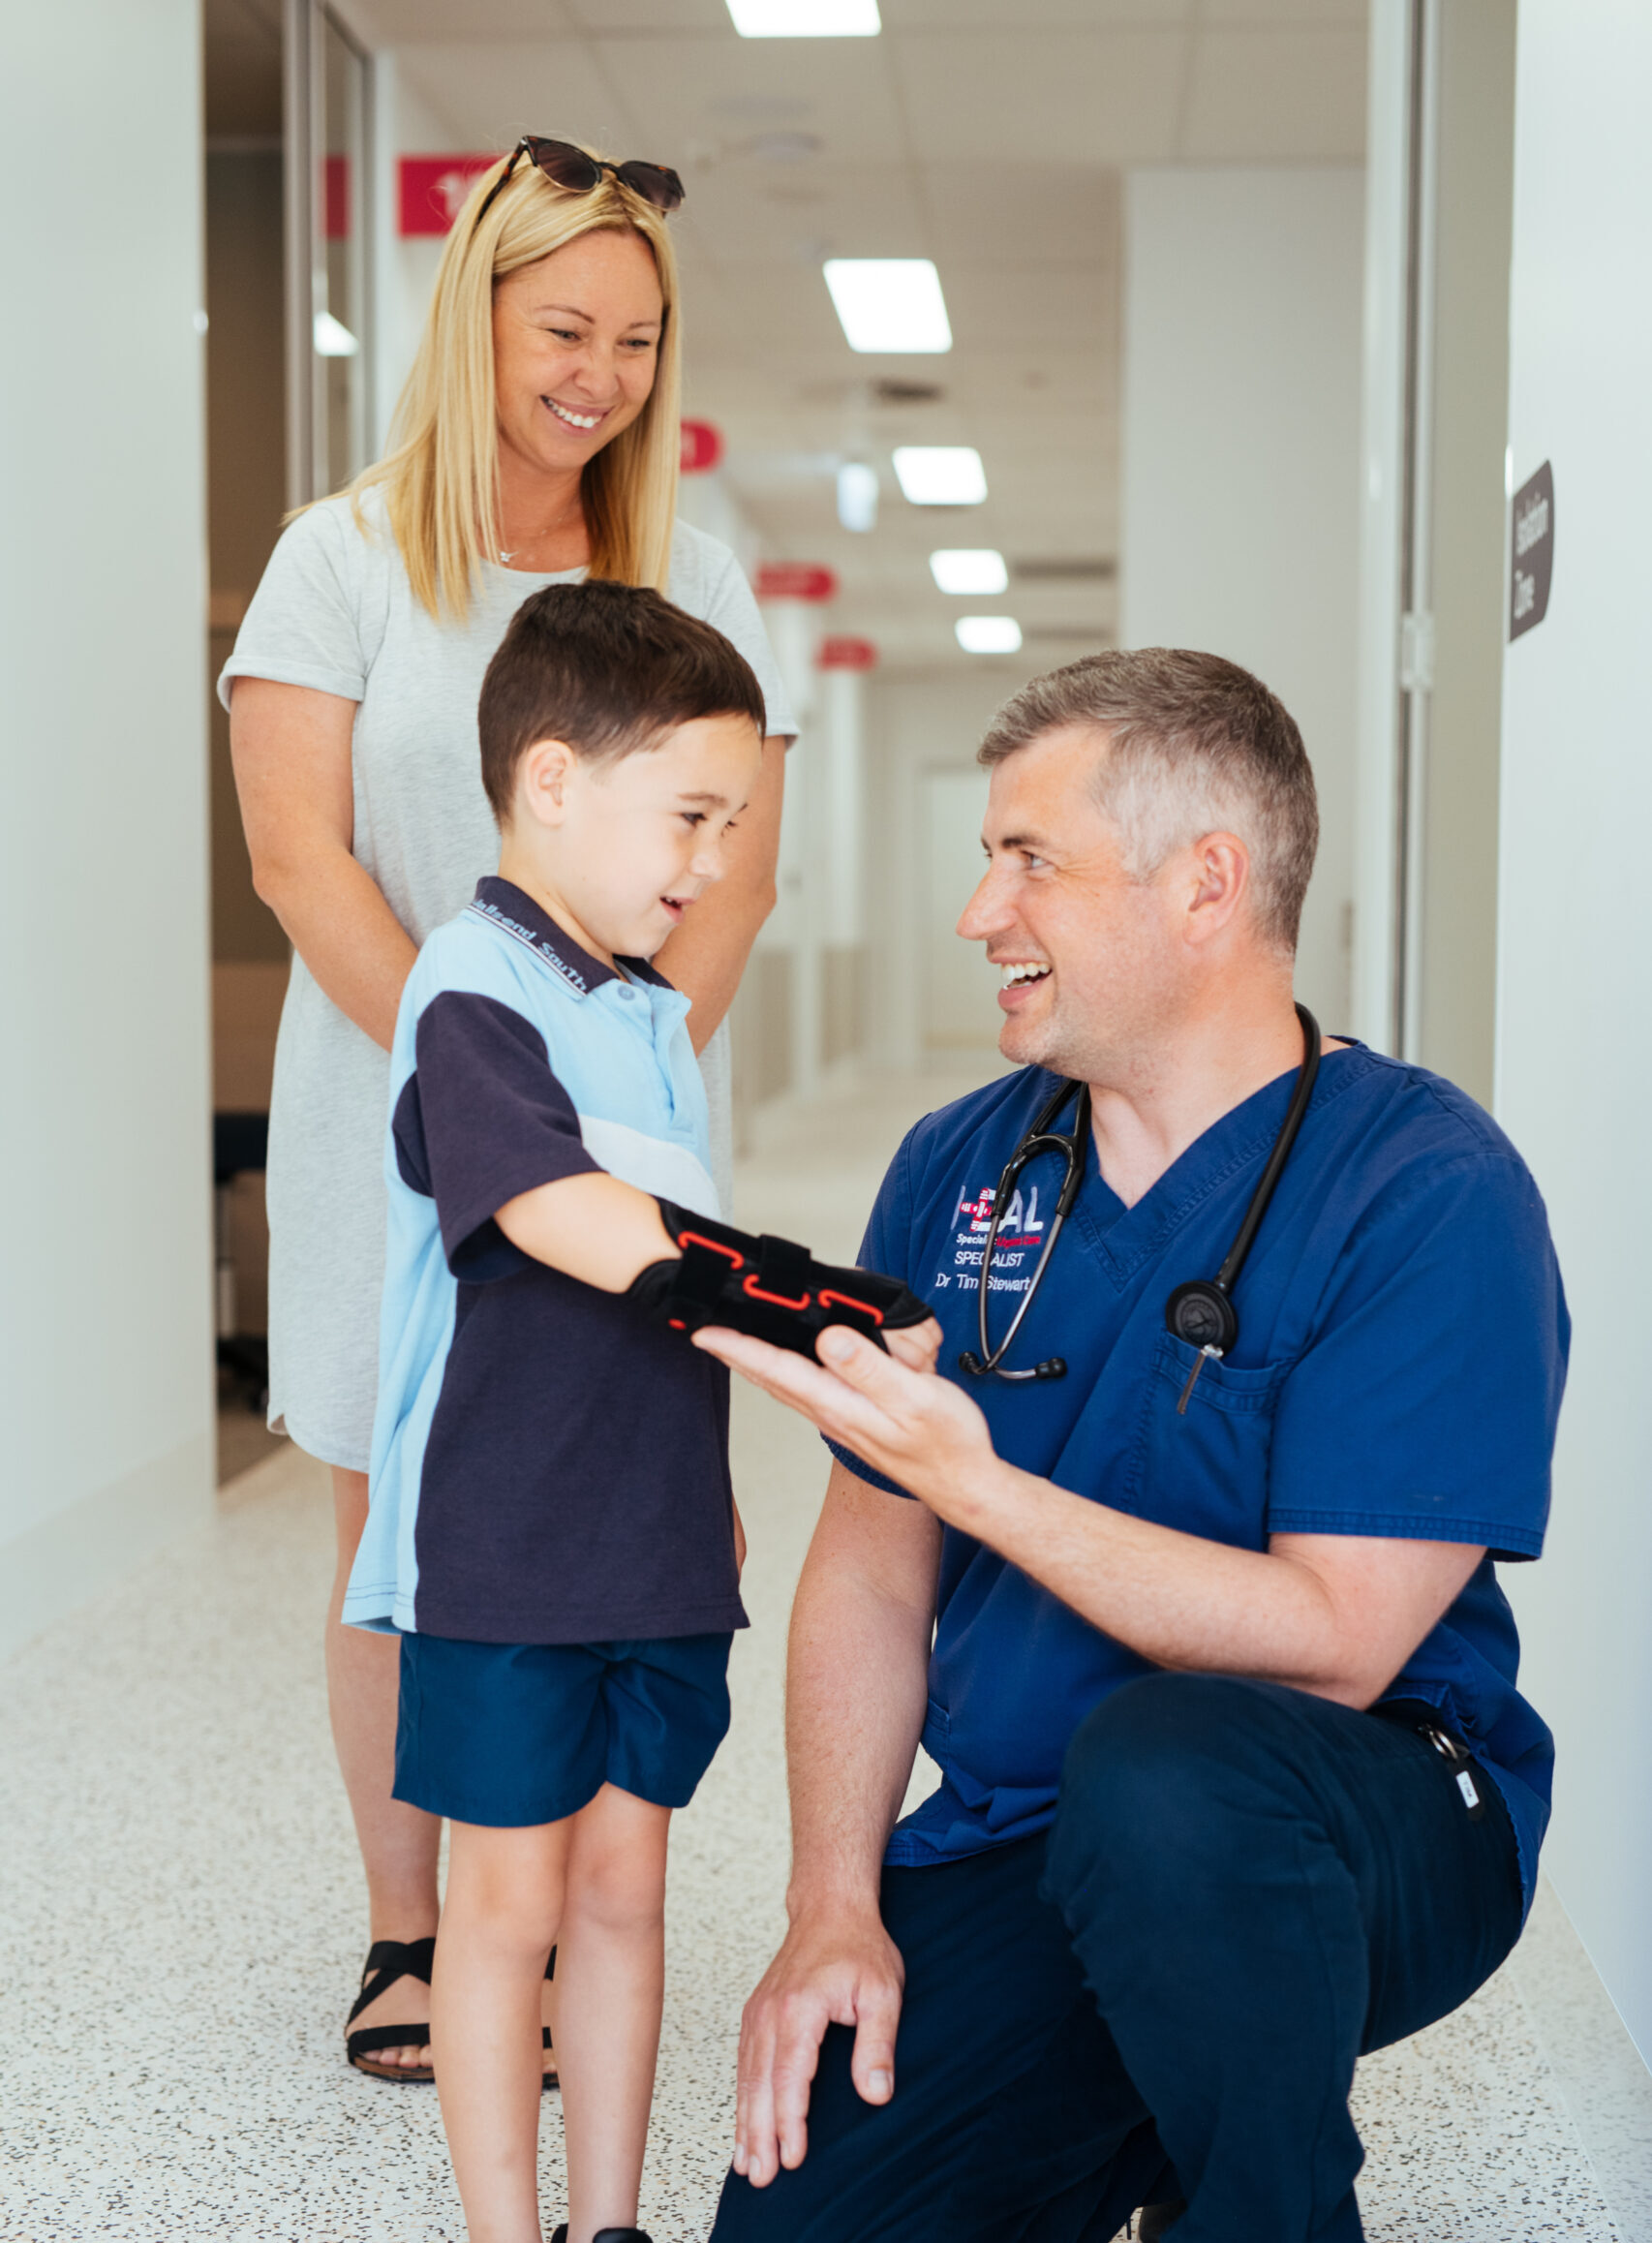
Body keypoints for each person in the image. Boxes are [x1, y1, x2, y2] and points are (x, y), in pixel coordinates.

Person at [693, 650, 1567, 2243]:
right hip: (1033, 1839)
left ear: (1204, 886)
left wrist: (981, 1484)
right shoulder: (959, 1167)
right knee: (803, 2230)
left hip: (1361, 1819)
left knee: (1166, 1771)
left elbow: (1333, 1647)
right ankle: (1150, 2110)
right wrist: (830, 1906)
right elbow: (872, 1584)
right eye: (985, 859)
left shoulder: (1424, 1191)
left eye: (1029, 860)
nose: (978, 913)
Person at [222, 136, 795, 2077]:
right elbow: (301, 865)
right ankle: (417, 1930)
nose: (601, 375)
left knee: (573, 1508)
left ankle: (551, 1909)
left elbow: (734, 877)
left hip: (616, 1138)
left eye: (637, 341)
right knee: (397, 1505)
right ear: (469, 315)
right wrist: (469, 1080)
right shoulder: (341, 557)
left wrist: (602, 1091)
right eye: (564, 327)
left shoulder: (687, 577)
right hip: (377, 1098)